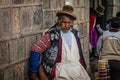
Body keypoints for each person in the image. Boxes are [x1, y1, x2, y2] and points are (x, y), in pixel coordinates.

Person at [29, 4, 90, 80]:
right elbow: (36, 49)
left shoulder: (75, 33)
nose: (67, 25)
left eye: (69, 23)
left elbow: (79, 53)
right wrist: (34, 72)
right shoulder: (52, 35)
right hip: (61, 73)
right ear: (59, 22)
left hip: (78, 71)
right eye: (64, 22)